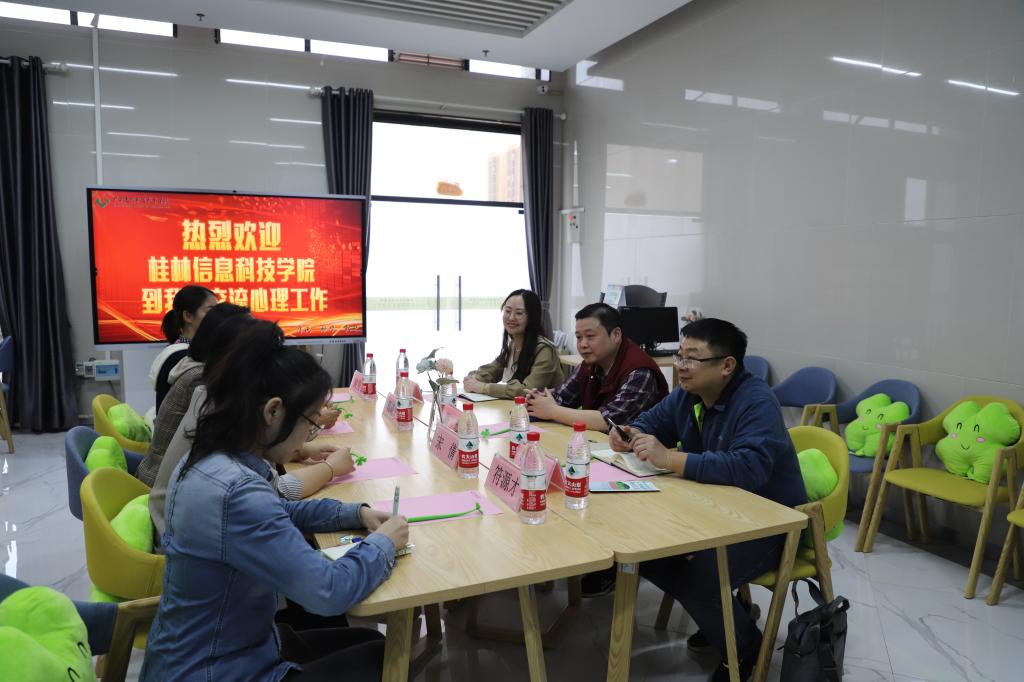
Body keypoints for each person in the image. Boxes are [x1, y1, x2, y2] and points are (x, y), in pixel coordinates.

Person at [140, 322, 408, 682]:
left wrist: (355, 513)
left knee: (371, 643)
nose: (308, 435)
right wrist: (383, 544)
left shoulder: (210, 457)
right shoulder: (235, 490)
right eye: (309, 423)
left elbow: (280, 510)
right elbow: (328, 591)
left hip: (220, 650)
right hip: (218, 670)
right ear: (272, 411)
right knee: (386, 659)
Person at [610, 318, 806, 682]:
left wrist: (670, 459)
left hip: (770, 523)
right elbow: (652, 422)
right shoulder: (689, 394)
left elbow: (748, 467)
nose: (681, 366)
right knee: (648, 555)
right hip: (713, 512)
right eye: (679, 355)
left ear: (727, 365)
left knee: (699, 580)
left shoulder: (756, 400)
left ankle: (747, 650)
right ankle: (727, 616)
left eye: (692, 358)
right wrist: (631, 433)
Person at [148, 319, 354, 538]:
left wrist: (301, 449)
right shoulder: (223, 421)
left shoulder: (222, 401)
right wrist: (330, 469)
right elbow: (275, 494)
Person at [135, 302, 250, 486]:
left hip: (172, 478)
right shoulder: (202, 380)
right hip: (165, 485)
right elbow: (229, 449)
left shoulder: (196, 366)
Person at [526, 302, 668, 432]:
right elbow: (562, 398)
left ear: (616, 335)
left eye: (590, 336)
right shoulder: (590, 364)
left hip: (637, 448)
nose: (582, 344)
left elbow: (609, 421)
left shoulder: (639, 371)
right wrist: (537, 400)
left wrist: (552, 410)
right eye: (579, 337)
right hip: (598, 443)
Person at [461, 289, 564, 399]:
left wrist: (483, 387)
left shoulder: (544, 350)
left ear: (532, 317)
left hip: (546, 409)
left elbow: (527, 391)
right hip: (520, 407)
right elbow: (493, 370)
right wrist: (474, 379)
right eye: (507, 311)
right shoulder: (513, 344)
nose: (511, 318)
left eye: (519, 313)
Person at [149, 285, 217, 413]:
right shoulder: (181, 356)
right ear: (188, 316)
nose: (217, 317)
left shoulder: (180, 351)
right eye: (210, 311)